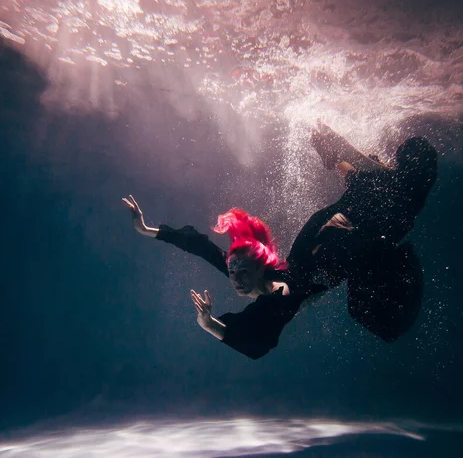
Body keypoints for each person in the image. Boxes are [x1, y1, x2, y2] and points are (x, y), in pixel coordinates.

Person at [122, 123, 437, 359]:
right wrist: (147, 229)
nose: (236, 279)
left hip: (356, 231)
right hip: (363, 234)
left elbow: (258, 338)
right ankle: (359, 166)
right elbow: (204, 248)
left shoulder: (281, 291)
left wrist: (209, 324)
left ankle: (356, 165)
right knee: (384, 193)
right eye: (233, 271)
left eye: (240, 272)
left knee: (376, 190)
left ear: (259, 267)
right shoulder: (261, 276)